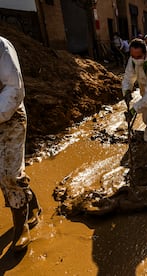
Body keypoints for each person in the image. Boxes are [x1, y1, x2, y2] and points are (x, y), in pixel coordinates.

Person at [0, 36, 41, 252]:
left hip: (10, 117)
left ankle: (20, 227)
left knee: (8, 174)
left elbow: (14, 89)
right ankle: (33, 205)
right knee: (5, 174)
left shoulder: (2, 47)